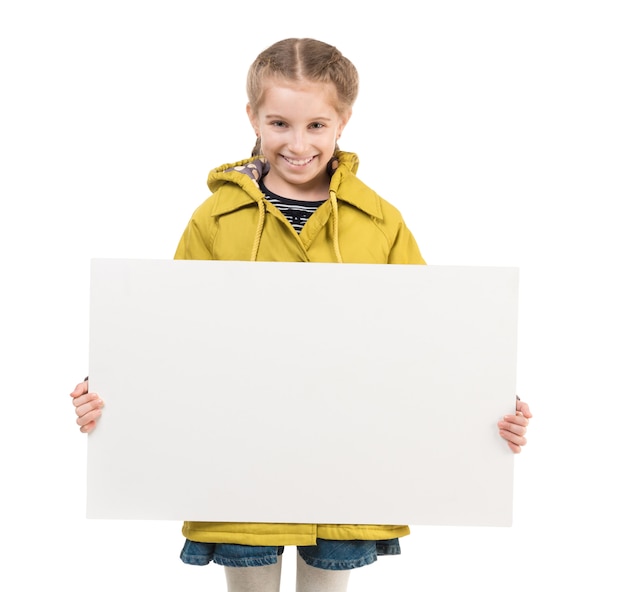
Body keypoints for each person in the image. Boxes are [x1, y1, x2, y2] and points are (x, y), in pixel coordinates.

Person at [70, 38, 533, 592]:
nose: (297, 142)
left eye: (316, 125)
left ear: (343, 122)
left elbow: (429, 338)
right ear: (252, 118)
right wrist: (114, 393)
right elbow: (171, 333)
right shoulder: (215, 218)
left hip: (350, 457)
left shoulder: (379, 221)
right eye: (279, 123)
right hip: (237, 458)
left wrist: (484, 409)